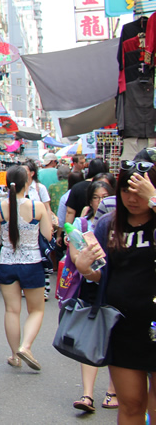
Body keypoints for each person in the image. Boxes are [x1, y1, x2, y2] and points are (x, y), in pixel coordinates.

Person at [73, 156, 156, 425]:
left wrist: (154, 199)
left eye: (139, 191)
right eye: (125, 191)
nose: (132, 198)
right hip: (123, 327)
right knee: (131, 404)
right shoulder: (109, 224)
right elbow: (103, 274)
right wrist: (86, 269)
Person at [0, 165, 51, 371]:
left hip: (7, 263)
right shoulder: (38, 207)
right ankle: (26, 346)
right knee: (36, 310)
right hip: (32, 264)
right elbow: (48, 235)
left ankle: (15, 355)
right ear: (28, 183)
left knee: (11, 311)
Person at [68, 179, 118, 413]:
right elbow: (76, 258)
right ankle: (87, 394)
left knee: (115, 337)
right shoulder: (83, 223)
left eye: (105, 197)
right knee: (91, 338)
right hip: (91, 287)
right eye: (97, 197)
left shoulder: (122, 226)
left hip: (117, 290)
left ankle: (112, 390)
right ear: (90, 200)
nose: (101, 202)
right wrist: (87, 265)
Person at [65, 158, 110, 225]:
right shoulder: (108, 186)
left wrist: (68, 231)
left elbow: (70, 212)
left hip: (80, 228)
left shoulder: (77, 187)